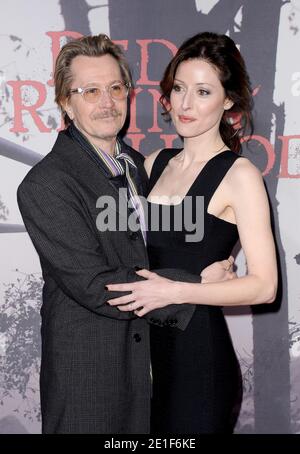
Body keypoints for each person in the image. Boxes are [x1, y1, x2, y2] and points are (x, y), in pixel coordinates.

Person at [17, 34, 234, 434]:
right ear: (66, 102)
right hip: (89, 382)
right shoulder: (46, 184)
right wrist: (197, 285)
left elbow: (159, 247)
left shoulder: (138, 166)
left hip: (153, 374)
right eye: (91, 90)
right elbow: (95, 285)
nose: (107, 102)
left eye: (116, 88)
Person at [106, 32, 278, 434]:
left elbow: (264, 287)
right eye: (179, 88)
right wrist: (195, 278)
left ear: (229, 100)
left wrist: (179, 290)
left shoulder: (240, 176)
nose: (185, 104)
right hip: (143, 358)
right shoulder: (153, 164)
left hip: (199, 359)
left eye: (203, 91)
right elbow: (124, 252)